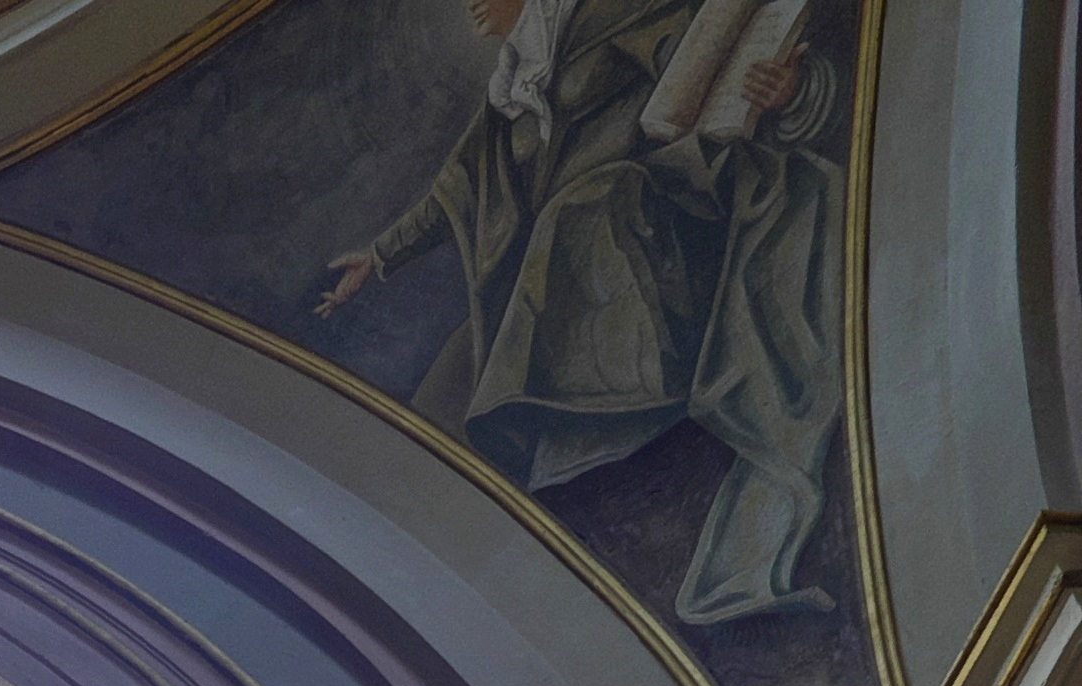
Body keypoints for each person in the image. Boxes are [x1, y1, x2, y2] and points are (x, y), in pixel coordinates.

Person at [317, 0, 840, 630]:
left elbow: (720, 75)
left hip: (646, 228)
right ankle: (428, 593)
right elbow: (458, 185)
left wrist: (791, 92)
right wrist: (378, 256)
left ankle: (580, 431)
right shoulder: (513, 84)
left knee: (576, 216)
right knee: (438, 416)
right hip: (547, 279)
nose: (472, 6)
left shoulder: (616, 21)